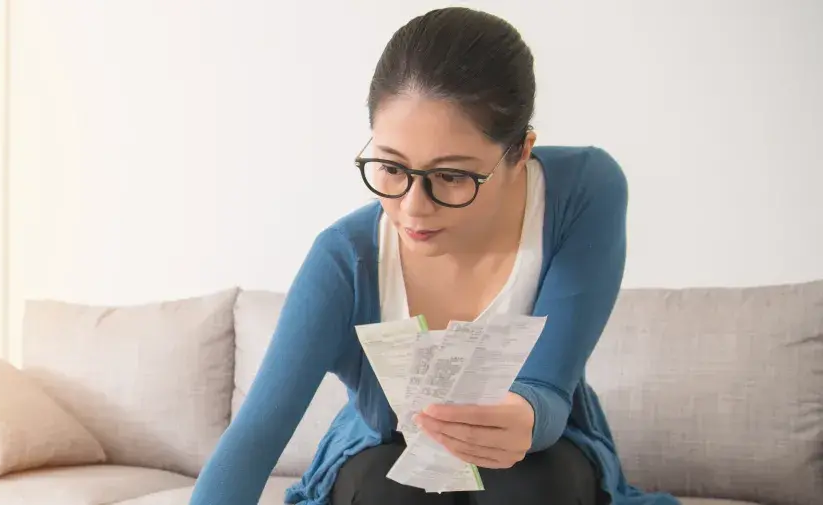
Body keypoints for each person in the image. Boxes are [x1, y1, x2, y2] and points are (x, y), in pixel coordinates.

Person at [187, 7, 681, 505]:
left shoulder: (582, 193)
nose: (413, 209)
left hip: (539, 450)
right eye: (391, 167)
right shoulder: (344, 260)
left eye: (451, 176)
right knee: (389, 491)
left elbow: (549, 388)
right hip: (385, 451)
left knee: (531, 486)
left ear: (521, 151)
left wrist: (526, 414)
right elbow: (254, 440)